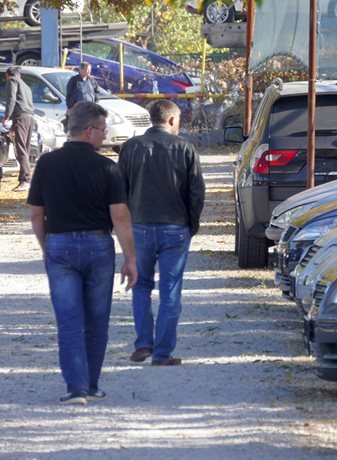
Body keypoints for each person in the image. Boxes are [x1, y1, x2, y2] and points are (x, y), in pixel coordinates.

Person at [27, 101, 138, 405]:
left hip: (59, 245)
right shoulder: (107, 167)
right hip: (98, 245)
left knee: (69, 320)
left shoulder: (46, 164)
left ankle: (75, 388)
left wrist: (45, 246)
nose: (104, 136)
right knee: (97, 319)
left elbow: (37, 214)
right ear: (89, 131)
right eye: (102, 130)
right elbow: (120, 216)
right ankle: (91, 384)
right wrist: (130, 258)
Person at [118, 99, 205, 366]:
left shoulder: (130, 148)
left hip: (139, 226)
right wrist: (191, 224)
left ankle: (143, 342)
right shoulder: (186, 148)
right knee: (170, 291)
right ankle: (162, 353)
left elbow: (119, 191)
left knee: (140, 286)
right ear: (171, 120)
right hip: (175, 227)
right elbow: (196, 192)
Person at [2, 66, 34, 191]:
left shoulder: (12, 81)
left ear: (8, 75)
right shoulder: (26, 86)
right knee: (25, 149)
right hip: (30, 118)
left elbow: (11, 99)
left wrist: (7, 117)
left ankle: (26, 179)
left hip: (20, 118)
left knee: (20, 150)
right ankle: (23, 179)